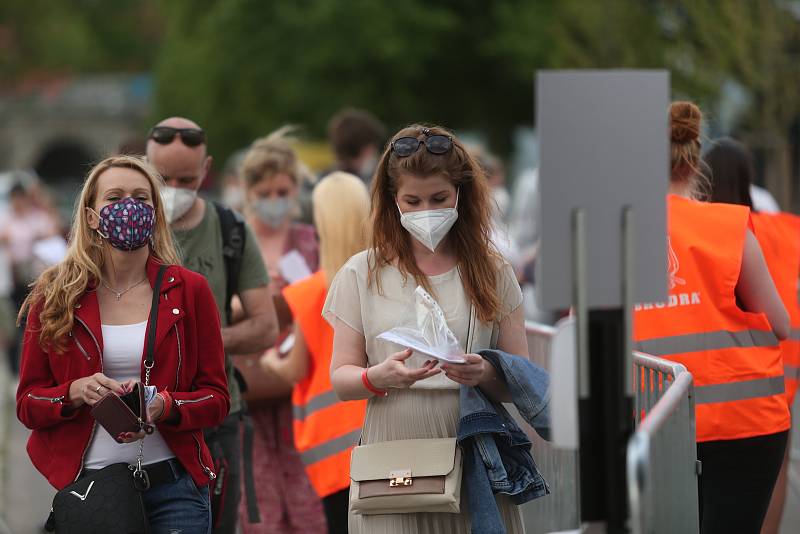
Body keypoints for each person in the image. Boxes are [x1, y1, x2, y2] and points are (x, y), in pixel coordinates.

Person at [325, 125, 529, 533]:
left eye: (439, 199)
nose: (425, 212)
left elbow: (520, 377)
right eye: (411, 201)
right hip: (391, 454)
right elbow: (341, 379)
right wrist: (376, 376)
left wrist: (485, 373)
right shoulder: (361, 273)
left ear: (461, 194)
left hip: (473, 448)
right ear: (392, 202)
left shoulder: (492, 271)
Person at [15, 155, 230, 533]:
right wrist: (75, 391)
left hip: (175, 485)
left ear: (156, 213)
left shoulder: (189, 290)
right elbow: (28, 403)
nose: (129, 207)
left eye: (141, 198)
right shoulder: (55, 294)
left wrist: (166, 405)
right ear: (91, 215)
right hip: (93, 490)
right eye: (113, 198)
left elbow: (216, 397)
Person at [633, 103, 791, 534]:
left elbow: (583, 333)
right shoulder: (728, 226)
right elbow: (779, 323)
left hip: (652, 425)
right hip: (744, 423)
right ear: (694, 161)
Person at [146, 117, 279, 534]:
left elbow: (265, 327)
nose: (174, 190)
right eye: (162, 177)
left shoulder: (230, 231)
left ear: (207, 170)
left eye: (186, 179)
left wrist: (198, 341)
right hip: (139, 417)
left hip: (215, 415)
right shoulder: (127, 228)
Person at [261, 171, 370, 534]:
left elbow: (294, 369)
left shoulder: (310, 293)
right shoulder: (383, 281)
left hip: (330, 450)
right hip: (380, 436)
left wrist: (268, 360)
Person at [704, 137, 800, 534]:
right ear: (750, 177)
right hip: (787, 362)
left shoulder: (711, 232)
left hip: (733, 370)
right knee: (776, 469)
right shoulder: (784, 228)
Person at [236, 128, 326, 534]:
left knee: (308, 489)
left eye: (283, 191)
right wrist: (252, 301)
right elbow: (212, 307)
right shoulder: (234, 242)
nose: (275, 202)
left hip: (302, 381)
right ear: (249, 192)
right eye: (266, 192)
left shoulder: (309, 241)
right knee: (258, 495)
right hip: (249, 384)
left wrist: (298, 294)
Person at [0, 181, 59, 374]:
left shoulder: (36, 217)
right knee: (15, 325)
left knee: (34, 322)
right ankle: (15, 370)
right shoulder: (6, 219)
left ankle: (34, 366)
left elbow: (53, 230)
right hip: (13, 279)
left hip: (35, 277)